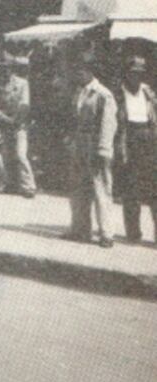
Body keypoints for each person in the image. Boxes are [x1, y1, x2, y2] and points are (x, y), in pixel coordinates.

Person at [65, 52, 119, 248]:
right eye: (77, 70)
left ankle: (106, 233)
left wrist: (103, 151)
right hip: (79, 145)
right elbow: (74, 119)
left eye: (82, 70)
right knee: (78, 188)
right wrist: (70, 140)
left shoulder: (103, 94)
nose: (78, 74)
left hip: (95, 146)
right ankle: (80, 229)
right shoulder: (79, 92)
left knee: (101, 189)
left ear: (91, 71)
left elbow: (108, 124)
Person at [115, 56, 156, 243]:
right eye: (133, 73)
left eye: (139, 74)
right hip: (128, 139)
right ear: (127, 74)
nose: (136, 77)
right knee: (131, 190)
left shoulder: (148, 93)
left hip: (149, 140)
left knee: (154, 189)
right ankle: (133, 233)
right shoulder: (119, 94)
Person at [0, 54, 36, 198]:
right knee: (6, 155)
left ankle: (29, 186)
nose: (4, 71)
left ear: (12, 69)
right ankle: (11, 183)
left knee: (21, 155)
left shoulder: (22, 83)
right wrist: (3, 118)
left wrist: (16, 119)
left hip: (19, 123)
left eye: (7, 68)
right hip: (3, 123)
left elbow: (24, 103)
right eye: (1, 68)